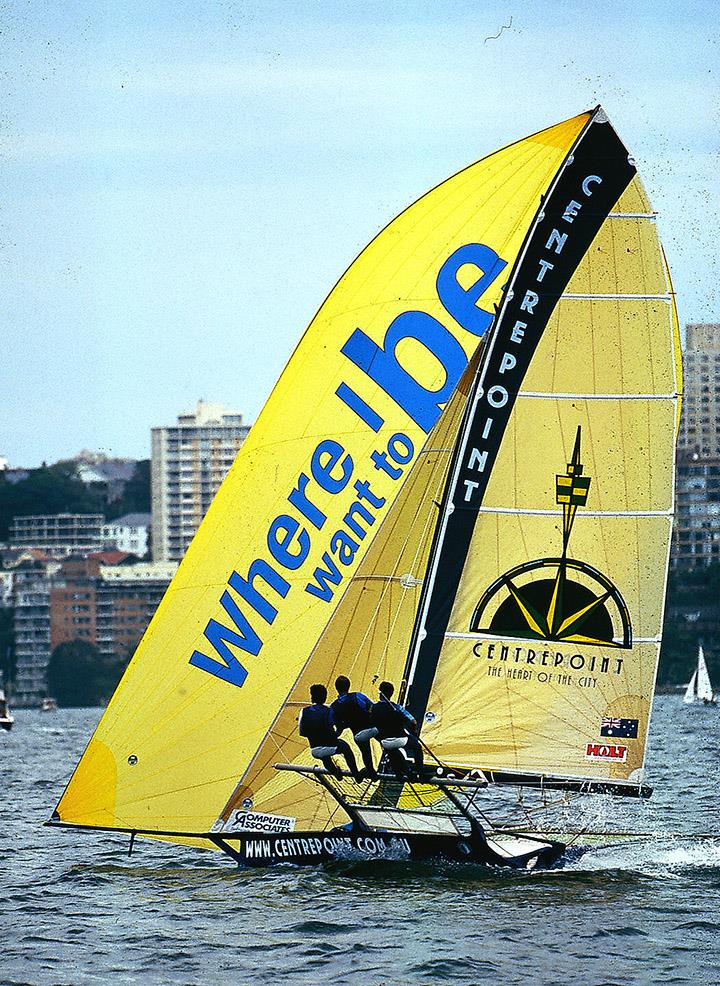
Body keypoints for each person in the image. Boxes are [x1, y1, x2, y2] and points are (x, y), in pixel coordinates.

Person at [298, 683, 360, 780]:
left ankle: (336, 774)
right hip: (331, 746)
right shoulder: (329, 710)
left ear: (312, 697)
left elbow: (302, 732)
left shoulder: (303, 711)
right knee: (346, 747)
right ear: (324, 697)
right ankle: (356, 774)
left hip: (315, 749)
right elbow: (338, 727)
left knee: (325, 758)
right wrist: (336, 734)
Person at [370, 680, 424, 779]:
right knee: (417, 747)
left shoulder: (372, 708)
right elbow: (413, 721)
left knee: (392, 750)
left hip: (385, 741)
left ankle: (400, 772)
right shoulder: (397, 707)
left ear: (380, 693)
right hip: (400, 739)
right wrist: (413, 731)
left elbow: (371, 724)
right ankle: (420, 772)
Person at [331, 675, 378, 780]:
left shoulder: (334, 707)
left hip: (358, 734)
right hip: (374, 728)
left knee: (365, 752)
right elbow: (374, 708)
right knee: (384, 741)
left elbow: (338, 727)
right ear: (349, 686)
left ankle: (368, 773)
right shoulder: (358, 696)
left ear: (336, 688)